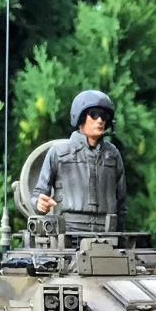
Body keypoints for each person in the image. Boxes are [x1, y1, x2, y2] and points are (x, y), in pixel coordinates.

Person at [32, 90, 127, 233]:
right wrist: (39, 204)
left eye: (104, 116)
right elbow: (38, 194)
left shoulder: (112, 155)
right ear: (81, 117)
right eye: (94, 114)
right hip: (68, 231)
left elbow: (121, 204)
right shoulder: (59, 152)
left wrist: (121, 234)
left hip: (107, 233)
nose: (100, 120)